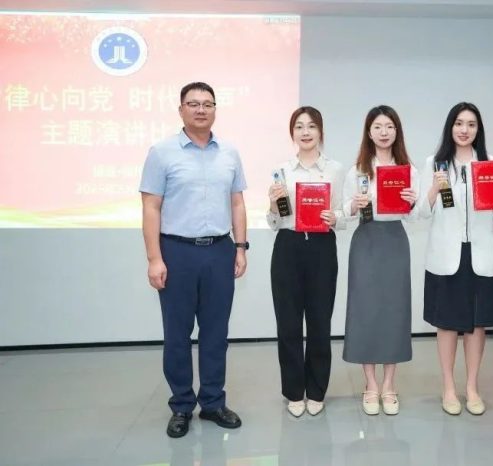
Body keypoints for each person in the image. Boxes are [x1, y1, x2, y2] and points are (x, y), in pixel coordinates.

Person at [139, 82, 248, 438]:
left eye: (207, 104)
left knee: (216, 333)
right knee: (177, 334)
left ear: (215, 109)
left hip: (219, 250)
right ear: (181, 109)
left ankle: (213, 402)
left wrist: (240, 247)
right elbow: (151, 207)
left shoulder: (229, 152)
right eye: (193, 103)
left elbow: (237, 202)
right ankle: (182, 406)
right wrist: (154, 258)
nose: (201, 109)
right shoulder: (162, 153)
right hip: (177, 252)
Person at [418, 102, 493, 416]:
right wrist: (433, 189)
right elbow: (421, 213)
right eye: (459, 123)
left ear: (478, 130)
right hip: (447, 254)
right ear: (450, 127)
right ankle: (448, 387)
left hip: (481, 253)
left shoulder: (491, 164)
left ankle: (472, 387)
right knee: (446, 324)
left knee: (476, 323)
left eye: (471, 124)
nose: (464, 129)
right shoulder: (434, 163)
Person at [267, 106, 345, 418]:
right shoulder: (282, 171)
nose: (305, 132)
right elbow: (274, 222)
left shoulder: (335, 169)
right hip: (288, 247)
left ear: (320, 131)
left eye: (311, 126)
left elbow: (343, 213)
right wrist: (273, 206)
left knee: (319, 323)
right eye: (299, 126)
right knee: (287, 324)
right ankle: (293, 391)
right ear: (292, 133)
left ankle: (316, 390)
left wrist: (335, 217)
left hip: (322, 248)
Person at [342, 105, 419, 416]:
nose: (384, 132)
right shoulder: (357, 170)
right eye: (378, 127)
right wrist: (354, 204)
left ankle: (389, 385)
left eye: (389, 126)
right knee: (365, 312)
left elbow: (415, 216)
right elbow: (345, 212)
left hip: (395, 242)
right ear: (369, 132)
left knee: (394, 312)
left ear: (397, 131)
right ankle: (370, 384)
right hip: (366, 241)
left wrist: (412, 203)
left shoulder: (407, 169)